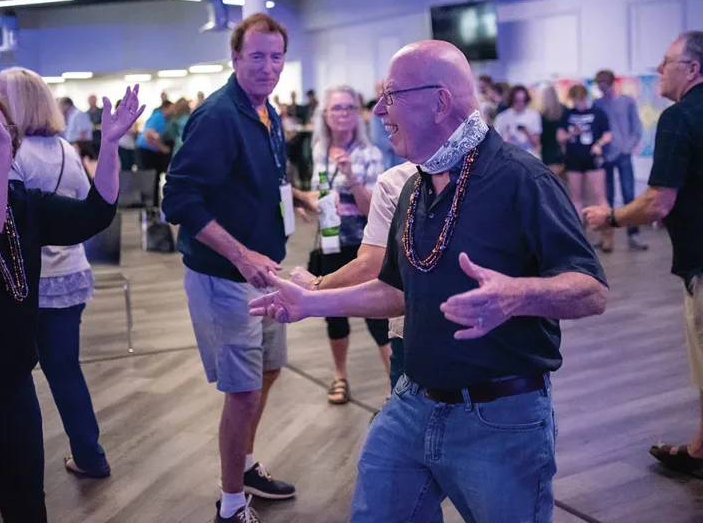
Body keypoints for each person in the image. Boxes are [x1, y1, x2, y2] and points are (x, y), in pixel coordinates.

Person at [251, 39, 608, 523]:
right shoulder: (416, 186)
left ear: (439, 101)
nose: (378, 110)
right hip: (411, 404)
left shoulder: (524, 180)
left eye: (391, 95)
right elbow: (396, 291)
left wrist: (518, 295)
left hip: (498, 417)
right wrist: (313, 301)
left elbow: (591, 290)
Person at [162, 13, 317, 523]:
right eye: (257, 56)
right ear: (235, 59)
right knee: (244, 390)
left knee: (268, 372)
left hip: (264, 275)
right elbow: (180, 198)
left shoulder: (264, 112)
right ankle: (231, 506)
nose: (268, 67)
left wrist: (292, 195)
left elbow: (249, 180)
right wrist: (241, 253)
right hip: (226, 279)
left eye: (276, 57)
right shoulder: (220, 115)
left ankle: (245, 467)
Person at [0, 81, 142, 522]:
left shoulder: (23, 203)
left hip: (9, 385)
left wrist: (109, 146)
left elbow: (95, 213)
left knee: (26, 505)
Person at [583, 31, 703, 478]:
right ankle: (698, 450)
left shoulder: (678, 118)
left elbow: (657, 201)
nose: (658, 70)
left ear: (691, 69)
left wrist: (610, 217)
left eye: (667, 62)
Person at [0, 67, 111, 480]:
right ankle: (90, 455)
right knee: (66, 371)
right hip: (72, 274)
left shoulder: (10, 154)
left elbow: (7, 222)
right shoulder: (66, 149)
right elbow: (86, 208)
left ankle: (16, 473)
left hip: (23, 281)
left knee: (15, 379)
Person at [308, 85, 387, 405]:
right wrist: (312, 202)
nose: (342, 114)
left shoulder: (370, 155)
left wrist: (351, 176)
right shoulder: (318, 150)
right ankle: (340, 377)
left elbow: (374, 209)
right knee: (333, 314)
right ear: (325, 116)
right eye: (335, 108)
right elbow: (318, 193)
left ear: (358, 115)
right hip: (329, 243)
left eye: (348, 108)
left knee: (377, 314)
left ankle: (394, 383)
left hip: (363, 245)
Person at [593, 70, 647, 252]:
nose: (603, 92)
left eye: (604, 87)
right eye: (599, 88)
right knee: (606, 198)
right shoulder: (597, 104)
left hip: (623, 155)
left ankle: (633, 235)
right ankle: (607, 237)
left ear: (612, 84)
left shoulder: (627, 101)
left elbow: (636, 127)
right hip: (606, 156)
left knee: (628, 195)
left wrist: (627, 147)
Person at [556, 85, 612, 249]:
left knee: (599, 196)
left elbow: (608, 134)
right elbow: (560, 137)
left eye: (580, 100)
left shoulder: (598, 113)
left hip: (593, 158)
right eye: (575, 101)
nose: (578, 104)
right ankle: (578, 238)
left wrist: (599, 144)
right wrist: (572, 133)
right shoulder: (568, 113)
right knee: (576, 198)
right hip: (574, 158)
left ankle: (607, 235)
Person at [135, 100, 174, 207]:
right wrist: (162, 148)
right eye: (172, 108)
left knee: (153, 179)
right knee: (150, 179)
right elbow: (149, 135)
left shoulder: (163, 118)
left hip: (150, 151)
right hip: (146, 151)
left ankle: (153, 204)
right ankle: (150, 205)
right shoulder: (158, 116)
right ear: (166, 107)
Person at [494, 84, 542, 157]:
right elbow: (496, 142)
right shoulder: (502, 117)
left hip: (529, 157)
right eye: (517, 100)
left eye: (523, 100)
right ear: (512, 100)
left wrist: (526, 132)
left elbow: (536, 144)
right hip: (508, 157)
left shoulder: (534, 116)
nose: (520, 103)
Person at [538, 83, 566, 177]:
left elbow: (541, 138)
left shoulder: (541, 116)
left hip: (548, 153)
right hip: (563, 151)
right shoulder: (564, 110)